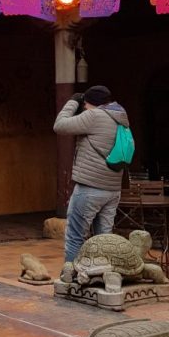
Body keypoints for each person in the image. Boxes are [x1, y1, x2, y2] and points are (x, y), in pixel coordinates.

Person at [53, 84, 130, 264]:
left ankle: (71, 279)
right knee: (104, 240)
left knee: (75, 237)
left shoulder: (94, 115)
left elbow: (60, 125)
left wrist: (73, 102)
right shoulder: (121, 116)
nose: (84, 108)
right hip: (112, 189)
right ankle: (103, 277)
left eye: (85, 104)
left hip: (90, 188)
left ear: (91, 103)